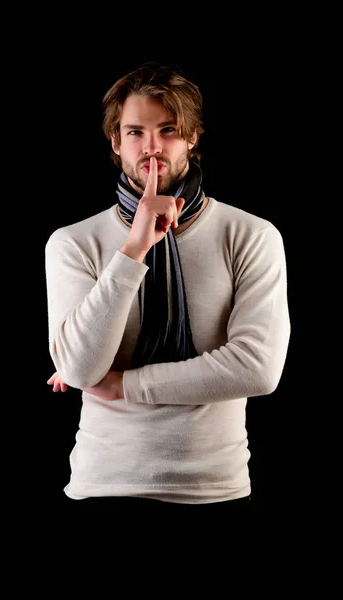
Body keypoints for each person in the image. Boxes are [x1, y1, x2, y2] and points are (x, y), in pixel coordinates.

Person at [45, 62, 290, 513]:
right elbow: (80, 370)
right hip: (102, 487)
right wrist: (135, 247)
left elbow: (257, 369)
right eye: (135, 132)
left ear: (193, 138)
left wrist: (123, 385)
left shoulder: (250, 235)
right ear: (116, 142)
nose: (152, 148)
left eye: (169, 130)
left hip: (217, 489)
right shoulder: (74, 242)